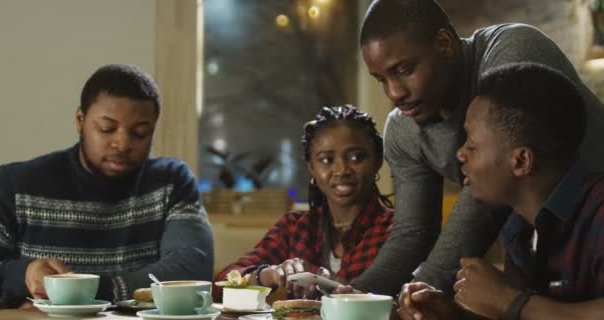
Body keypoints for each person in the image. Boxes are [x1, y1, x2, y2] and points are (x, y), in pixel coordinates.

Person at [353, 0, 604, 296]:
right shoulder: (404, 130)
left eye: (405, 70)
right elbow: (413, 233)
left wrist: (423, 290)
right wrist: (350, 296)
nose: (394, 93)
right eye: (381, 79)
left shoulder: (512, 51)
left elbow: (485, 202)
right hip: (536, 238)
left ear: (444, 44)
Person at [0, 64, 214, 308]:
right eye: (107, 129)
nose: (122, 143)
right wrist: (22, 275)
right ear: (80, 120)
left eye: (140, 133)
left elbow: (191, 268)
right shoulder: (15, 185)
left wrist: (81, 293)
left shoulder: (171, 182)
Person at [400, 63, 604, 320]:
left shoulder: (598, 211)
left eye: (472, 145)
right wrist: (453, 316)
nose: (460, 154)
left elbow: (520, 308)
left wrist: (511, 301)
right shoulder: (521, 227)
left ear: (521, 161)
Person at [215, 105, 394, 300]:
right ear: (312, 168)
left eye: (356, 157)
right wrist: (269, 274)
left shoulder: (398, 230)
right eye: (326, 159)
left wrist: (326, 282)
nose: (342, 170)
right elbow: (222, 285)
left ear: (377, 161)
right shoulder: (294, 227)